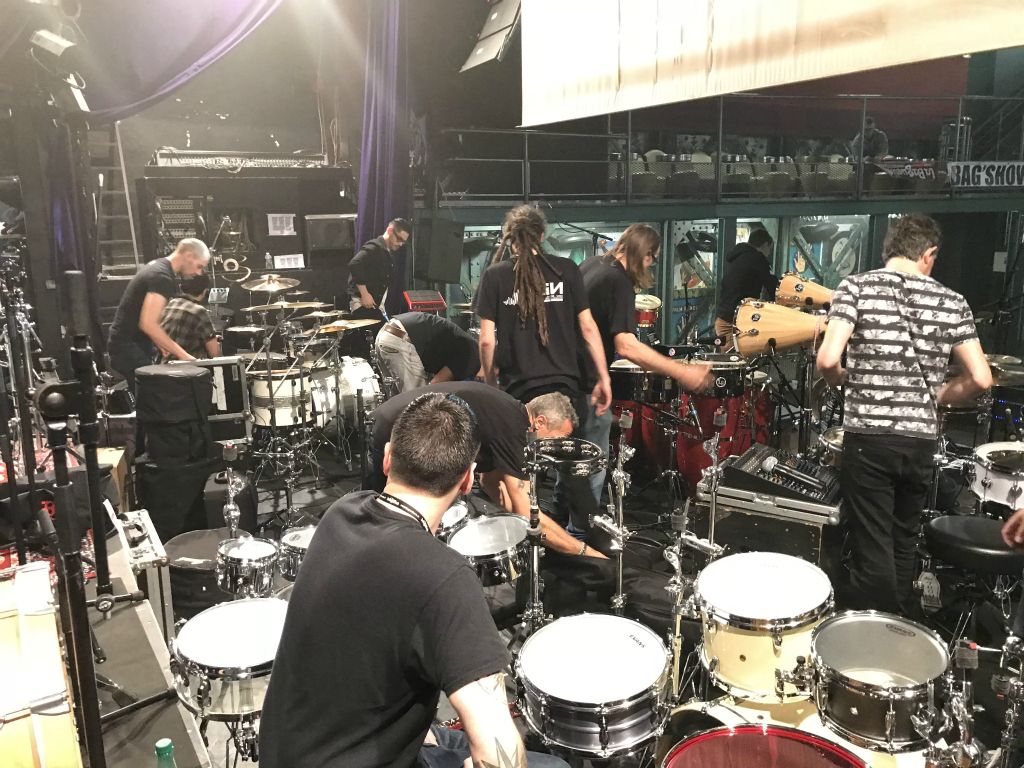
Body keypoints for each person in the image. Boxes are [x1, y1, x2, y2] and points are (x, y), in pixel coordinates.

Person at [258, 392, 567, 768]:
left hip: (289, 753)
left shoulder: (340, 514)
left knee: (442, 737)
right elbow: (499, 757)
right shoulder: (444, 576)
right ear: (468, 480)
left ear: (388, 458)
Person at [816, 213, 991, 615]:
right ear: (929, 253)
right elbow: (981, 378)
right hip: (919, 442)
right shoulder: (953, 301)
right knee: (902, 542)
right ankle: (898, 627)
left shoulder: (856, 287)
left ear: (890, 249)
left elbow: (827, 359)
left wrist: (842, 379)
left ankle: (874, 635)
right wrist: (940, 394)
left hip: (869, 439)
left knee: (871, 546)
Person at [475, 204, 611, 535]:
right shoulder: (566, 269)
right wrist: (604, 377)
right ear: (542, 234)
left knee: (523, 474)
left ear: (509, 237)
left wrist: (491, 384)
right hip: (563, 391)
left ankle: (530, 538)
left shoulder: (495, 276)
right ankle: (582, 541)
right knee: (571, 467)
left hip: (520, 393)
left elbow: (487, 341)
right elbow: (588, 328)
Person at [367, 382, 606, 558]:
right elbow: (528, 513)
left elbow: (490, 482)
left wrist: (515, 523)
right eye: (556, 439)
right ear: (539, 422)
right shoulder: (515, 427)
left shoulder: (505, 415)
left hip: (391, 422)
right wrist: (586, 553)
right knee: (387, 521)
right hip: (394, 430)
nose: (554, 448)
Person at [581, 223, 711, 500]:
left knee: (571, 469)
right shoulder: (619, 282)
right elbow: (626, 345)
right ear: (645, 253)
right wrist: (681, 372)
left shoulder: (592, 265)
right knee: (591, 473)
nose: (651, 264)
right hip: (588, 385)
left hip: (568, 379)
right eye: (652, 258)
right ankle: (583, 525)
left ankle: (562, 522)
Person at [107, 238, 210, 389]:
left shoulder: (158, 267)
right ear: (188, 255)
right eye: (199, 266)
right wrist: (186, 357)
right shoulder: (162, 277)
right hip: (128, 347)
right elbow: (148, 324)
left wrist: (160, 343)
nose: (198, 273)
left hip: (128, 344)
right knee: (155, 395)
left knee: (152, 395)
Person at [374, 311, 480, 394]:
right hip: (401, 339)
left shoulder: (470, 347)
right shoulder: (473, 356)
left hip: (387, 332)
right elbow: (434, 386)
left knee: (396, 402)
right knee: (417, 400)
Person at [714, 228, 778, 349]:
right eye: (769, 249)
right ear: (765, 244)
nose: (769, 253)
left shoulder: (737, 257)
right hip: (738, 320)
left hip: (723, 319)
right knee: (743, 357)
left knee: (729, 358)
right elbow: (773, 286)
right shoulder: (757, 259)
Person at [348, 217, 412, 318]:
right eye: (399, 239)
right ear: (390, 231)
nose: (400, 244)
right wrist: (365, 294)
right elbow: (355, 264)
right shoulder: (374, 247)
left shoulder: (386, 251)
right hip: (363, 304)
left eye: (403, 242)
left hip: (374, 306)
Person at [158, 273, 220, 360]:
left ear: (181, 286)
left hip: (163, 364)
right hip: (187, 366)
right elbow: (215, 353)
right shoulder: (199, 311)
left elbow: (178, 336)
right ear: (205, 291)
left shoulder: (172, 303)